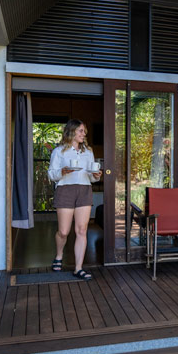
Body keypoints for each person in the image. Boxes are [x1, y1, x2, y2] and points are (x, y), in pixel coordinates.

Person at [48, 119, 101, 280]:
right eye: (80, 131)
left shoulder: (88, 151)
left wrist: (96, 176)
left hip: (84, 190)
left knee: (82, 230)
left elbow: (91, 176)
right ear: (71, 132)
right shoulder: (59, 151)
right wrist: (62, 172)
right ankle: (59, 255)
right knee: (64, 231)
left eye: (84, 131)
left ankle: (78, 268)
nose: (83, 134)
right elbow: (51, 174)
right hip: (65, 190)